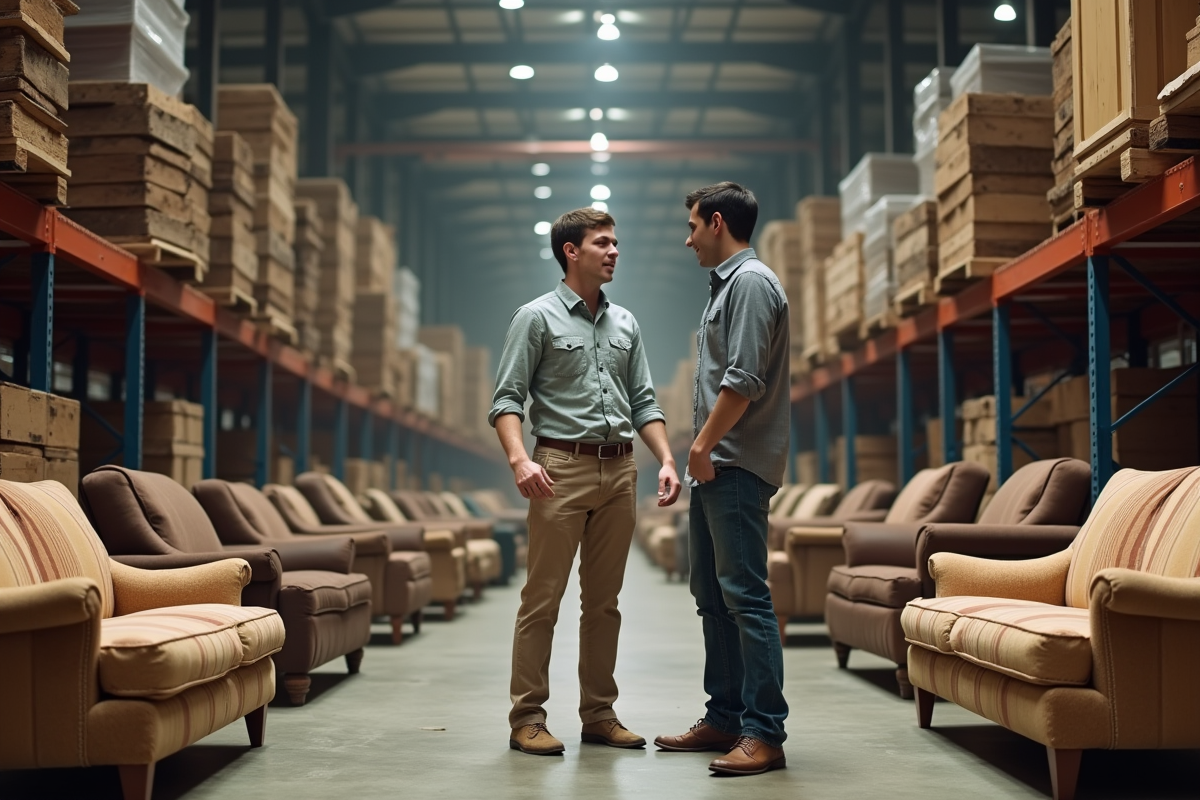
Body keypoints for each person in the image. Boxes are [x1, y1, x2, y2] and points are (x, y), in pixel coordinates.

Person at [490, 207, 682, 757]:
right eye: (603, 243)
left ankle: (598, 714)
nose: (614, 251)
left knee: (604, 603)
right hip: (560, 471)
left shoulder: (626, 323)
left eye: (616, 243)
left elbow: (644, 401)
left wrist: (665, 459)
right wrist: (519, 460)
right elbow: (507, 400)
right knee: (542, 599)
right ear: (571, 252)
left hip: (620, 472)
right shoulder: (536, 318)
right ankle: (527, 718)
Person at [654, 182, 791, 775]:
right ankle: (725, 717)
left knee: (745, 598)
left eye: (692, 228)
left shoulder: (753, 284)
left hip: (733, 463)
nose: (688, 241)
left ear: (716, 222)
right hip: (715, 465)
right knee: (711, 595)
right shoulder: (724, 289)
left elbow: (744, 379)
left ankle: (765, 731)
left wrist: (703, 447)